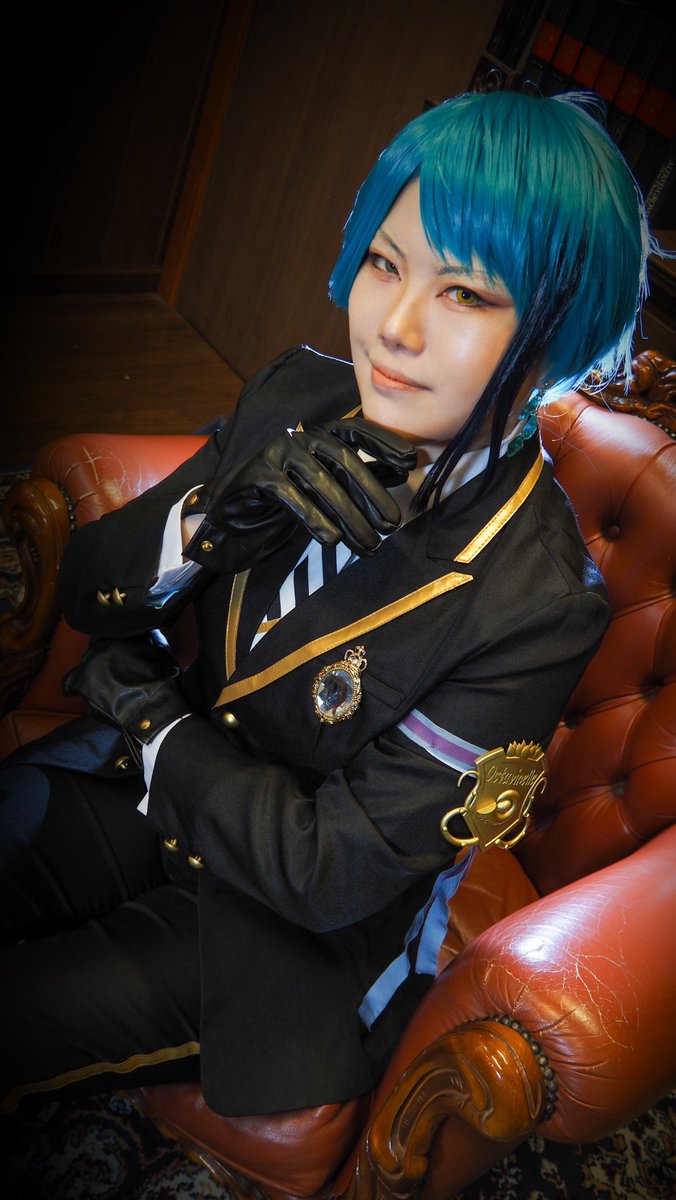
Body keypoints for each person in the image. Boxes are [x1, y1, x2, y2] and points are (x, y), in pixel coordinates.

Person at [0, 88, 656, 1120]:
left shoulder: (540, 606)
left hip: (274, 936)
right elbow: (92, 588)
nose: (393, 328)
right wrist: (213, 516)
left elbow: (327, 874)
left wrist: (153, 716)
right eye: (385, 265)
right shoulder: (298, 396)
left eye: (464, 294)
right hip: (132, 790)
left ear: (552, 335)